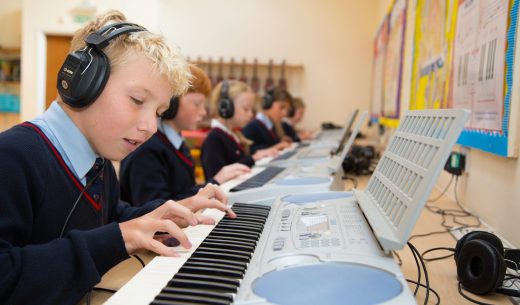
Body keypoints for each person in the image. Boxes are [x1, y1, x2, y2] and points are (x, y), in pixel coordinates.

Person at [0, 11, 235, 305]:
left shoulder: (98, 162)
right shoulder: (13, 156)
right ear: (83, 83)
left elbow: (112, 217)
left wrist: (166, 213)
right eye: (137, 100)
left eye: (159, 113)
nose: (150, 126)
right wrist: (119, 238)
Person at [120, 65, 250, 206]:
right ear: (171, 103)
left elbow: (184, 193)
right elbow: (156, 210)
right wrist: (215, 181)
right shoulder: (147, 150)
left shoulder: (177, 144)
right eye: (197, 104)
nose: (203, 112)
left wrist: (211, 185)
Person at [201, 80, 279, 179]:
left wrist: (256, 156)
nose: (251, 114)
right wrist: (253, 158)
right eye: (246, 109)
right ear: (226, 108)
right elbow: (216, 178)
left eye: (252, 110)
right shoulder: (214, 138)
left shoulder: (234, 134)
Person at [242, 86, 293, 154]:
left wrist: (279, 142)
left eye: (287, 109)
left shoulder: (271, 126)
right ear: (268, 104)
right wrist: (275, 147)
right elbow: (249, 151)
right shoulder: (252, 126)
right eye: (281, 107)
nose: (284, 113)